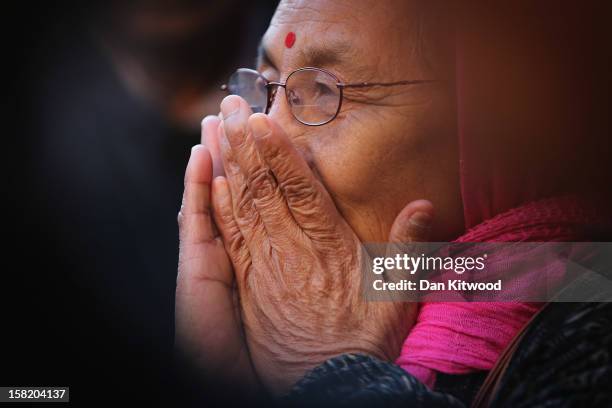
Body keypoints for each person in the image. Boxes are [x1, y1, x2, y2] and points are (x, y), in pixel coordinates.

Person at [175, 0, 612, 405]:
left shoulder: (590, 326)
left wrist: (332, 371)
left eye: (324, 91)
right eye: (266, 86)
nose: (262, 136)